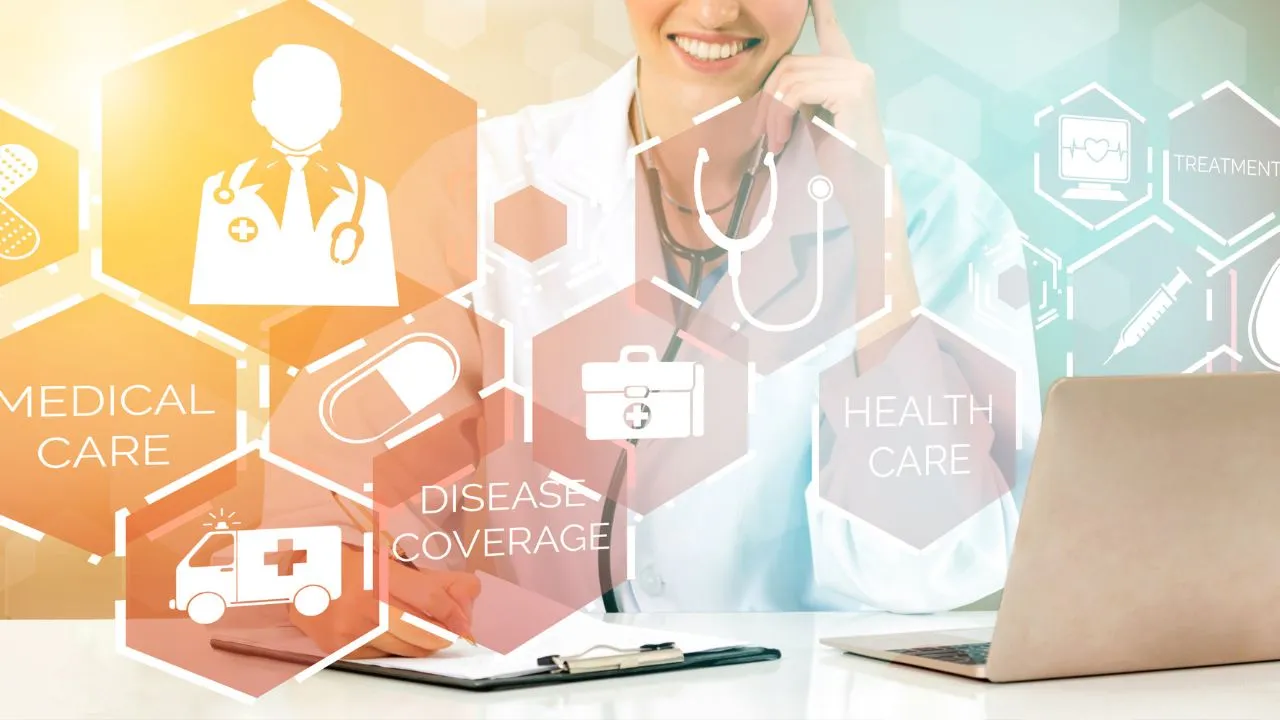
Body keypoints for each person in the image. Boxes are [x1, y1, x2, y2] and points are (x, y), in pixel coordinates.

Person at [296, 0, 1042, 658]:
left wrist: (874, 227)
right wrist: (350, 581)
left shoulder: (939, 211)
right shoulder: (474, 183)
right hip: (537, 691)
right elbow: (328, 494)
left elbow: (927, 569)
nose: (714, 12)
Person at [189, 43, 398, 308]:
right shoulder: (220, 187)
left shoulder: (368, 194)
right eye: (284, 102)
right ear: (258, 112)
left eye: (313, 104)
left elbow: (378, 291)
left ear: (336, 115)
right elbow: (209, 286)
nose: (299, 115)